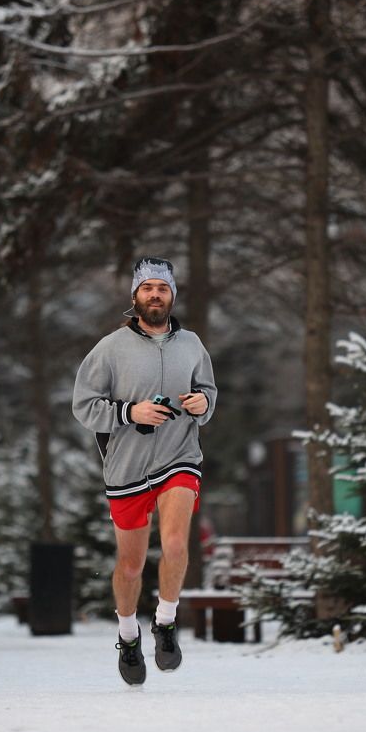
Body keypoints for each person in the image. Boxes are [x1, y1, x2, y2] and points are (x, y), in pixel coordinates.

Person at [72, 257, 217, 685]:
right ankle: (128, 633)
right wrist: (129, 411)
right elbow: (84, 406)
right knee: (131, 566)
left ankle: (167, 623)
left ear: (173, 296)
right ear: (135, 296)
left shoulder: (192, 343)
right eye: (148, 288)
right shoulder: (110, 348)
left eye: (163, 288)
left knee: (175, 542)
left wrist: (203, 405)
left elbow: (208, 391)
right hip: (127, 467)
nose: (156, 295)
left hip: (180, 457)